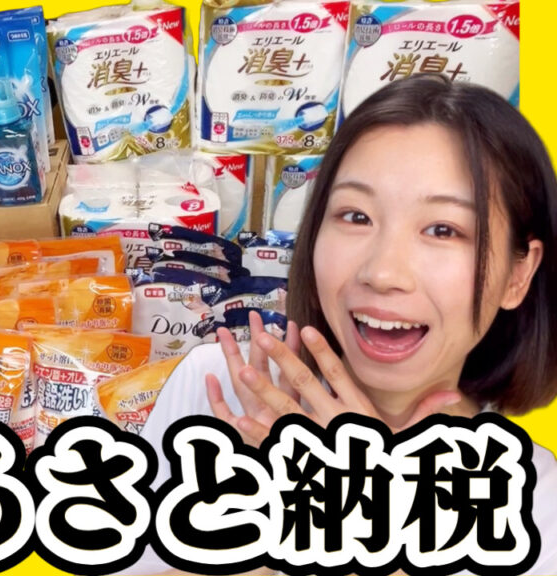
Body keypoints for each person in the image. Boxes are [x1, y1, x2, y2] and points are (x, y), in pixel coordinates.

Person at [129, 75, 557, 575]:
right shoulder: (218, 388)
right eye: (355, 217)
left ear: (518, 274)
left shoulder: (537, 505)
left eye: (443, 229)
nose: (382, 272)